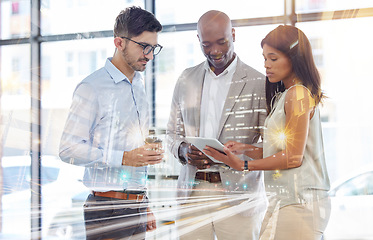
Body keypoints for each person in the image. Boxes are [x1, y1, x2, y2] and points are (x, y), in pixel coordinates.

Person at [204, 25, 331, 240]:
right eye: (264, 58)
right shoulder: (286, 95)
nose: (266, 65)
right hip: (286, 200)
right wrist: (247, 149)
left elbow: (293, 157)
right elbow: (281, 151)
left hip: (300, 201)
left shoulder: (298, 94)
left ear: (295, 58)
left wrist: (243, 165)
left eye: (273, 59)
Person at [59, 6, 163, 240]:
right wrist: (124, 157)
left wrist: (143, 202)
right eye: (143, 46)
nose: (149, 55)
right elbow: (68, 149)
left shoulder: (139, 84)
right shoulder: (91, 88)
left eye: (153, 48)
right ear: (119, 42)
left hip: (135, 207)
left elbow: (136, 153)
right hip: (107, 209)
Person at [166, 10, 268, 240]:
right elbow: (172, 133)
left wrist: (241, 153)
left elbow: (270, 144)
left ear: (233, 34)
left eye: (222, 42)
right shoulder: (186, 79)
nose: (215, 51)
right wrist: (182, 150)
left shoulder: (258, 83)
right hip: (193, 192)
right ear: (198, 41)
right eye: (207, 45)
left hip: (239, 196)